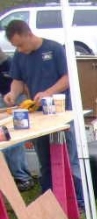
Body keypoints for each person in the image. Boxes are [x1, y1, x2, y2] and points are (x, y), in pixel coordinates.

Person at [3, 20, 83, 205]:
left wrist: (48, 92)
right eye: (16, 46)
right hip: (37, 114)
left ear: (29, 34)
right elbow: (17, 80)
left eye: (21, 44)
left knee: (68, 156)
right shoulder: (19, 55)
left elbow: (68, 78)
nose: (20, 49)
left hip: (62, 112)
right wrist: (13, 93)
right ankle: (50, 197)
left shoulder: (54, 49)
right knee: (44, 159)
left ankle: (78, 198)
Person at [0, 49, 34, 192]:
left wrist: (28, 98)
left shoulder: (9, 63)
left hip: (16, 99)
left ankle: (23, 177)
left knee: (11, 138)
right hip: (4, 98)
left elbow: (23, 83)